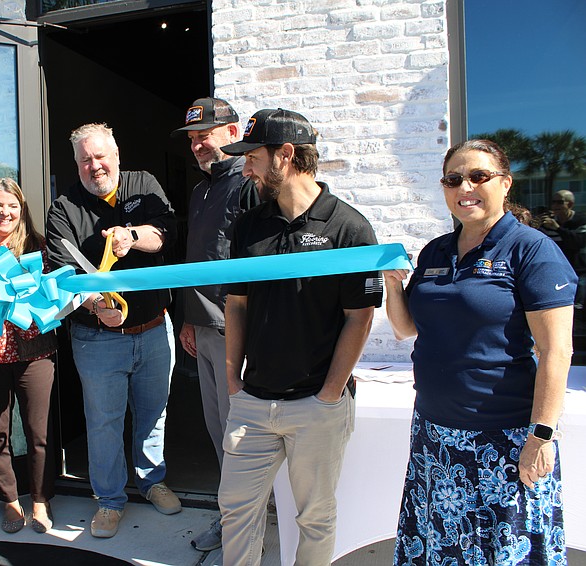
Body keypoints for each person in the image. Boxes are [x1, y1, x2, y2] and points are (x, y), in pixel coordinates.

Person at [384, 140, 575, 565]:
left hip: (504, 442)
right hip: (435, 439)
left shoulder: (531, 250)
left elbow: (556, 350)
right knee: (442, 549)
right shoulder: (436, 250)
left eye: (479, 177)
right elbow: (406, 329)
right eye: (454, 179)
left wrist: (542, 435)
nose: (465, 187)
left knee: (502, 552)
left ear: (505, 184)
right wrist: (393, 284)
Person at [217, 109, 382, 566]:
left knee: (314, 517)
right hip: (254, 402)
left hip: (317, 404)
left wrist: (329, 394)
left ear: (285, 155)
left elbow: (359, 317)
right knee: (235, 509)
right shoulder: (249, 225)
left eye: (252, 156)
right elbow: (237, 303)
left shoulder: (349, 227)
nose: (245, 168)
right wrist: (233, 379)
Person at [46, 123, 181, 539]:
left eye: (100, 156)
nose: (94, 165)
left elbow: (168, 232)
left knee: (153, 413)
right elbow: (60, 272)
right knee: (104, 422)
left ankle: (151, 479)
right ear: (77, 164)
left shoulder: (144, 183)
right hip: (97, 339)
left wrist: (132, 236)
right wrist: (96, 305)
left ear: (116, 154)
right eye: (85, 159)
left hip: (156, 329)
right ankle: (108, 500)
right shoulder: (63, 208)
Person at [170, 97, 260, 552]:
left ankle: (242, 528)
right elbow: (199, 259)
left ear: (232, 132)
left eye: (205, 134)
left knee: (240, 438)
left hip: (235, 331)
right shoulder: (200, 190)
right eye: (192, 138)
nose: (198, 144)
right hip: (203, 330)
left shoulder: (247, 183)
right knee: (217, 432)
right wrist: (188, 318)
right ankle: (236, 520)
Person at [0, 178, 58, 534]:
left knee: (40, 432)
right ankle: (9, 500)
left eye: (12, 206)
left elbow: (55, 296)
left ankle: (40, 498)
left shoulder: (39, 247)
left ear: (22, 211)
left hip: (35, 353)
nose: (4, 212)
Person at [540, 189, 586, 310]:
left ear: (569, 204)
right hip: (556, 271)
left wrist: (558, 228)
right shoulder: (548, 223)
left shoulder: (581, 220)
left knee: (578, 308)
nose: (555, 206)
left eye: (559, 202)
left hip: (578, 271)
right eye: (553, 202)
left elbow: (578, 242)